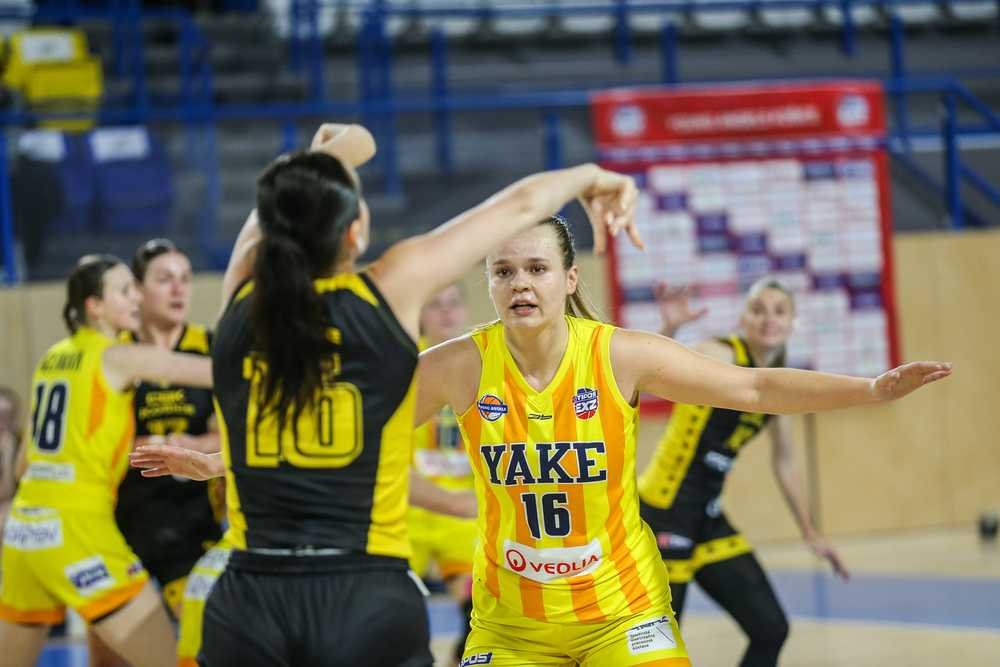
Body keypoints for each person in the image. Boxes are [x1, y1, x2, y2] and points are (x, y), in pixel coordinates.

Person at [138, 211, 950, 666]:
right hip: (510, 622)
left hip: (621, 610)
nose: (518, 283)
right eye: (502, 271)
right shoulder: (459, 365)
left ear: (568, 278)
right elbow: (342, 436)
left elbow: (756, 388)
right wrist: (217, 460)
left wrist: (870, 390)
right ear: (489, 283)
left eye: (534, 269)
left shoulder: (620, 354)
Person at [131, 121, 644, 667]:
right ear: (354, 233)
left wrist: (325, 154)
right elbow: (519, 204)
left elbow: (285, 199)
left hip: (252, 598)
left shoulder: (241, 297)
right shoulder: (388, 289)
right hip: (363, 596)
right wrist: (591, 175)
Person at [0, 254, 213, 667]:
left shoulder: (51, 358)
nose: (136, 299)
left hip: (25, 531)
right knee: (172, 660)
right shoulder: (117, 355)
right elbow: (211, 372)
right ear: (95, 306)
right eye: (124, 291)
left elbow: (24, 465)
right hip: (77, 524)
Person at [636, 278, 850, 666]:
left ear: (792, 323)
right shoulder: (721, 353)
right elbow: (649, 369)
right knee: (659, 652)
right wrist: (670, 328)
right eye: (758, 310)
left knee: (771, 629)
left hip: (708, 521)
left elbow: (785, 460)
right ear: (743, 318)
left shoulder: (780, 384)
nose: (768, 319)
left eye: (779, 311)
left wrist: (810, 531)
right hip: (662, 515)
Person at [89, 239, 225, 667]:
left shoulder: (211, 347)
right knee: (107, 657)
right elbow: (90, 441)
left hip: (190, 524)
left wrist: (191, 447)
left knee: (202, 645)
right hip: (119, 524)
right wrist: (141, 448)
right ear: (137, 290)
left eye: (185, 278)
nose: (178, 289)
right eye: (165, 279)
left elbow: (234, 436)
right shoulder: (115, 353)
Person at [409, 285, 477, 665]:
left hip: (465, 510)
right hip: (410, 506)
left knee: (479, 612)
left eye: (453, 304)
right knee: (395, 614)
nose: (446, 312)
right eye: (435, 305)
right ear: (420, 313)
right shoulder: (402, 362)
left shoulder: (482, 362)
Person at [0, 387, 23, 537]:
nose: (2, 423)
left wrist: (8, 456)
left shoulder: (20, 443)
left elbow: (11, 492)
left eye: (7, 417)